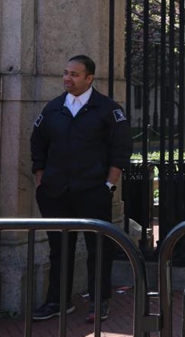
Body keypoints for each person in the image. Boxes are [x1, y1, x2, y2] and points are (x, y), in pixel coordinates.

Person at [31, 55, 133, 323]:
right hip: (55, 193)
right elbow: (38, 146)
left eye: (74, 74)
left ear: (89, 78)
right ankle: (57, 301)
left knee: (98, 248)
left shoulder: (108, 110)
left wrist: (108, 185)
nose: (67, 79)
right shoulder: (53, 109)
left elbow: (121, 151)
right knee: (59, 249)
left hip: (92, 192)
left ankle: (99, 302)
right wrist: (42, 180)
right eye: (65, 73)